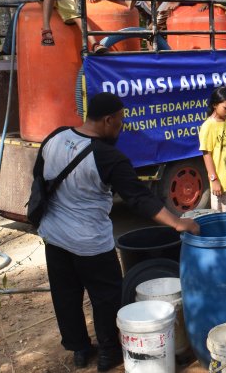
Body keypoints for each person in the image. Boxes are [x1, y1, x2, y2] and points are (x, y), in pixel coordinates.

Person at [36, 92, 199, 371]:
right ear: (108, 120)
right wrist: (178, 222)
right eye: (120, 123)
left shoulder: (55, 137)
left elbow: (39, 178)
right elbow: (139, 198)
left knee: (66, 295)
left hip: (54, 237)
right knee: (106, 297)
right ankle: (109, 353)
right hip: (90, 243)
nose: (121, 129)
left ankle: (79, 349)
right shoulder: (109, 156)